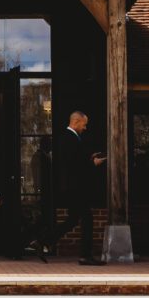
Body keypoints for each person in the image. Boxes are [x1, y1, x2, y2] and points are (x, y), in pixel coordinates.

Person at [52, 111, 106, 265]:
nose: (85, 127)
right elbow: (71, 165)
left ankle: (44, 240)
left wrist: (89, 157)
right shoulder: (68, 138)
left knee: (73, 219)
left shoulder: (71, 138)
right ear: (76, 121)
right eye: (84, 124)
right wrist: (92, 163)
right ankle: (85, 256)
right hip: (75, 187)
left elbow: (75, 159)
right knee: (87, 218)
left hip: (74, 187)